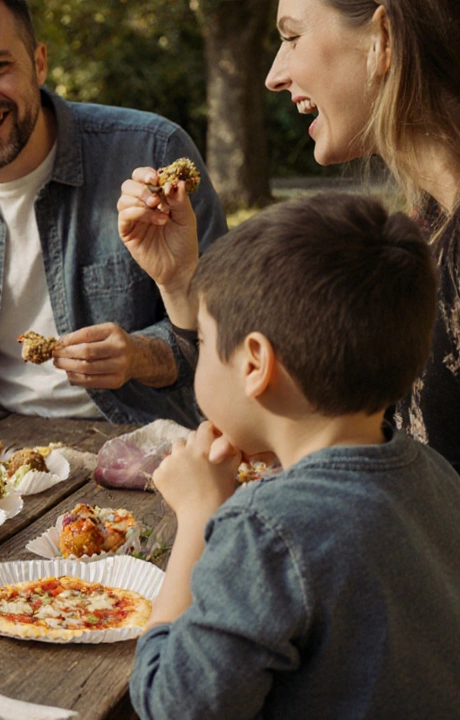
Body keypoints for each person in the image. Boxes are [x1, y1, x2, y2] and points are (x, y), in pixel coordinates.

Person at [130, 193, 460, 718]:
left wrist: (198, 518)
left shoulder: (264, 529)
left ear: (255, 363)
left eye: (207, 338)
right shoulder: (437, 475)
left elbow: (173, 704)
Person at [118, 0, 460, 473]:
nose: (274, 75)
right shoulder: (426, 225)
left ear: (385, 40)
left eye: (293, 36)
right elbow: (287, 405)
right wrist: (179, 281)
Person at [0, 0, 227, 426]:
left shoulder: (152, 151)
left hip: (134, 436)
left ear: (38, 63)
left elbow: (226, 327)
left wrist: (140, 356)